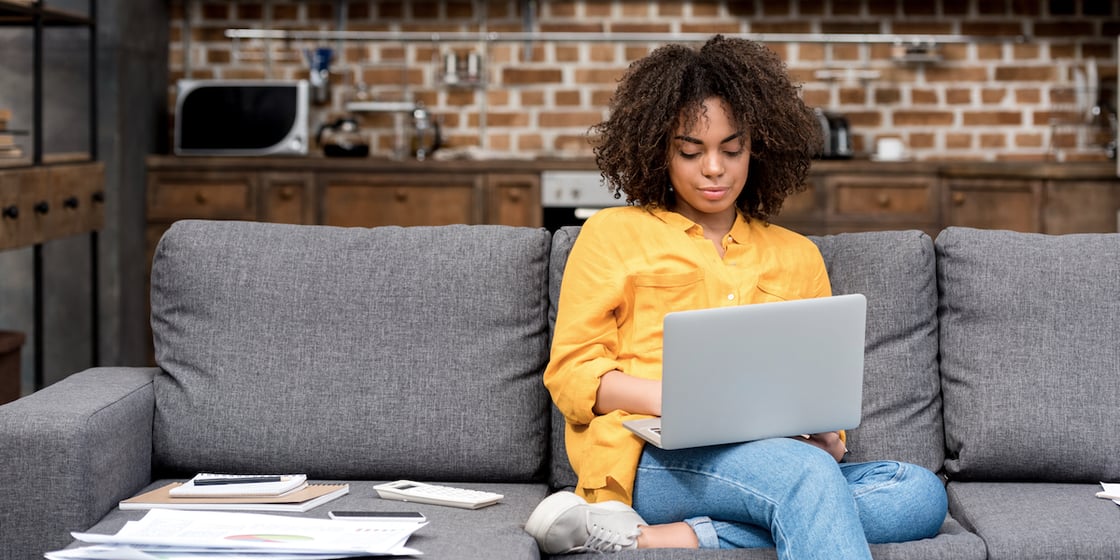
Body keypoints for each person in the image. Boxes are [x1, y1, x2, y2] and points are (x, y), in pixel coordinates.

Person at [523, 35, 948, 558]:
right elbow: (571, 375)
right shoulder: (612, 234)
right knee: (807, 479)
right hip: (650, 456)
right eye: (690, 151)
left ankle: (664, 538)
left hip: (775, 457)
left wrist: (828, 437)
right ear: (659, 149)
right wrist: (682, 400)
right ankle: (731, 507)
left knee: (918, 494)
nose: (714, 169)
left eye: (732, 149)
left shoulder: (796, 255)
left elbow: (817, 387)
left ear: (758, 147)